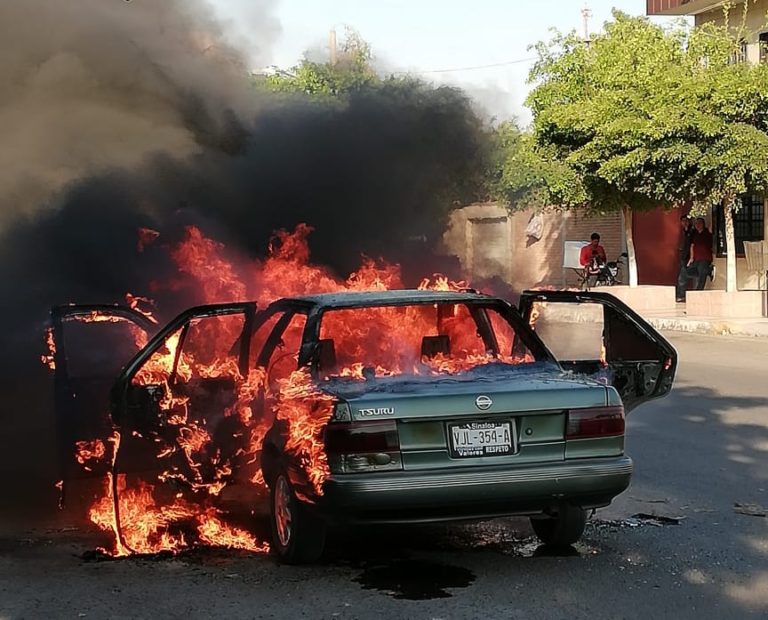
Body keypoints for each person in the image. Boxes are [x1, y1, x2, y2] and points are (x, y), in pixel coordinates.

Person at [676, 217, 713, 302]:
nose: (698, 225)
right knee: (684, 272)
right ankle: (681, 295)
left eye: (699, 223)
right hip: (695, 261)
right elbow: (692, 246)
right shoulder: (695, 234)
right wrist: (691, 258)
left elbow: (713, 223)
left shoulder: (707, 232)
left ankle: (697, 294)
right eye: (696, 223)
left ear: (703, 224)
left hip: (704, 259)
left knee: (702, 274)